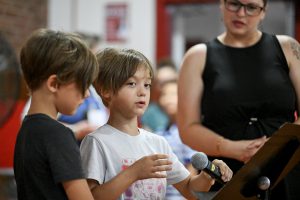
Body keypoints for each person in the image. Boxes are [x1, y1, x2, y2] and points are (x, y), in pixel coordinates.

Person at [177, 0, 300, 199]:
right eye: (234, 4)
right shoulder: (197, 56)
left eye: (251, 7)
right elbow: (187, 128)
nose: (241, 13)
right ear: (221, 5)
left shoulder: (288, 48)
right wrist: (233, 148)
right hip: (225, 172)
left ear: (263, 12)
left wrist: (275, 148)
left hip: (285, 167)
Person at [80, 48, 233, 200]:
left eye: (147, 84)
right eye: (132, 83)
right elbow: (90, 197)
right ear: (107, 91)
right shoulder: (97, 141)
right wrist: (133, 172)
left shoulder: (158, 143)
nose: (142, 92)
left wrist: (207, 175)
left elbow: (189, 190)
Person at [13, 28, 98, 200]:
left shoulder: (26, 129)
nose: (87, 94)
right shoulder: (58, 135)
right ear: (54, 84)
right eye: (83, 85)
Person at [155, 79, 197, 200]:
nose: (168, 99)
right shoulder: (159, 132)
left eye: (173, 94)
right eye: (164, 94)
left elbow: (192, 168)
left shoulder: (189, 132)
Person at [141, 59, 178, 132]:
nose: (167, 86)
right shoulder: (149, 114)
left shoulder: (191, 113)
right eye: (161, 83)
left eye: (171, 81)